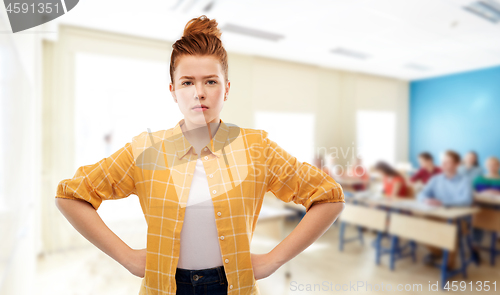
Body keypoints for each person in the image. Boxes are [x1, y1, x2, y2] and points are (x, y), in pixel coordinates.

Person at [54, 15, 345, 295]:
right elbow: (71, 196)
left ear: (226, 89)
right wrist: (128, 258)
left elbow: (328, 197)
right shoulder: (145, 149)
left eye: (211, 81)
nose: (199, 93)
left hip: (233, 287)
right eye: (187, 82)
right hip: (164, 287)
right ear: (173, 90)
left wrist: (273, 260)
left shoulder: (256, 149)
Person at [417, 150, 473, 269]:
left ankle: (448, 264)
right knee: (416, 225)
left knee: (450, 229)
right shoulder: (436, 179)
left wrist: (442, 203)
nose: (443, 165)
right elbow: (422, 194)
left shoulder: (465, 180)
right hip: (437, 214)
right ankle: (439, 252)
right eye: (443, 162)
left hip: (458, 219)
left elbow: (467, 201)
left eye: (448, 162)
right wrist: (425, 200)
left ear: (457, 164)